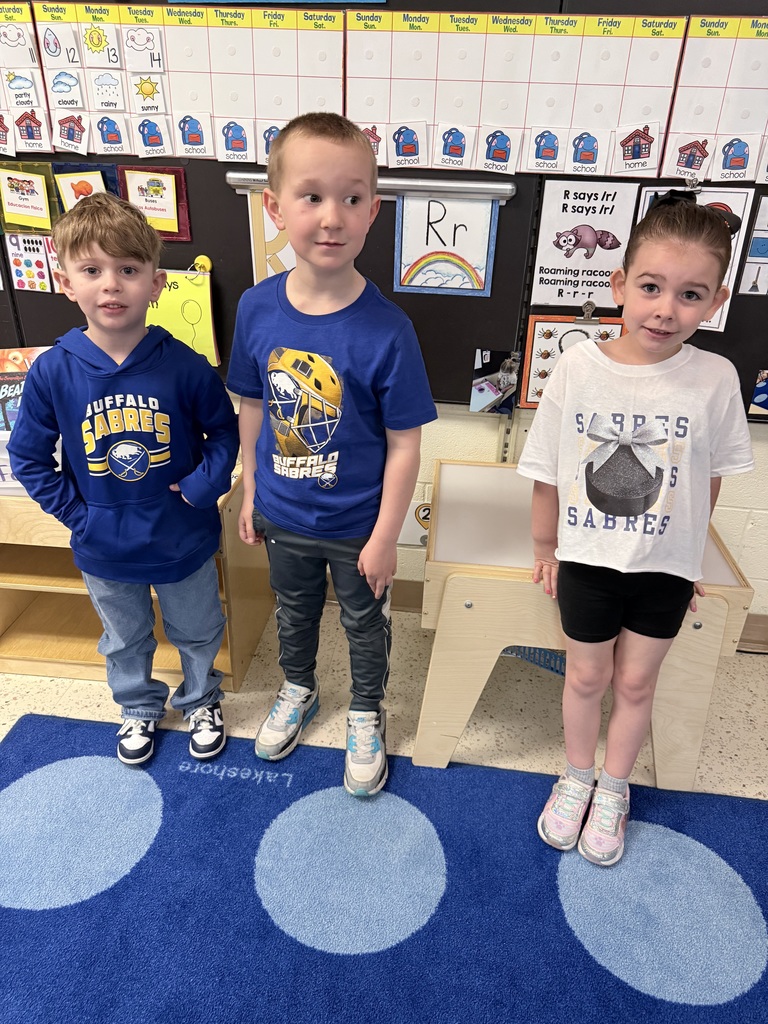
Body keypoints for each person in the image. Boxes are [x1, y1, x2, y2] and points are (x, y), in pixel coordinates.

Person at [517, 191, 754, 865]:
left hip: (663, 572)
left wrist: (692, 557)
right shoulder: (579, 367)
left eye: (690, 294)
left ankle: (613, 788)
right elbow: (546, 468)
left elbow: (708, 478)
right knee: (586, 677)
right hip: (588, 559)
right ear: (620, 283)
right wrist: (544, 548)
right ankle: (577, 775)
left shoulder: (715, 378)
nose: (665, 308)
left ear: (715, 302)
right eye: (650, 286)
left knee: (637, 684)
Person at [227, 111, 437, 796]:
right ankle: (298, 688)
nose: (331, 216)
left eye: (352, 198)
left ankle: (368, 710)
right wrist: (251, 489)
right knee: (292, 611)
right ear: (273, 205)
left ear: (373, 211)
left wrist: (386, 538)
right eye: (312, 195)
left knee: (363, 621)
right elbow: (253, 406)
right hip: (285, 513)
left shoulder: (390, 330)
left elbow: (406, 444)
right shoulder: (257, 310)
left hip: (357, 526)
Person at [9, 192, 239, 766]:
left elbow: (225, 436)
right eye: (92, 270)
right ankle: (138, 706)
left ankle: (201, 698)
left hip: (182, 537)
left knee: (199, 626)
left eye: (128, 270)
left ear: (156, 284)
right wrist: (80, 515)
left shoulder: (186, 365)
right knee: (124, 637)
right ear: (66, 282)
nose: (111, 285)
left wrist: (198, 489)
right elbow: (30, 458)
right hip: (103, 546)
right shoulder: (52, 371)